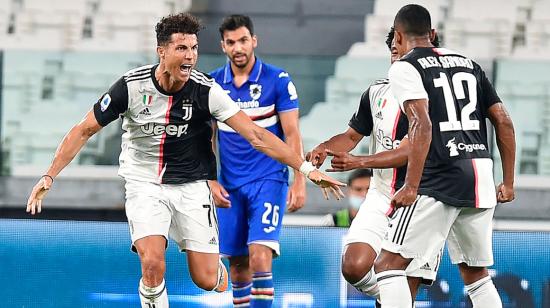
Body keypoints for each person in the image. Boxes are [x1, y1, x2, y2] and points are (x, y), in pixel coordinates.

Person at [25, 13, 345, 308]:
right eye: (182, 48)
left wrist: (306, 170)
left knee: (207, 280)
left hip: (192, 188)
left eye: (193, 48)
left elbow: (257, 136)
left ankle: (214, 269)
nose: (190, 55)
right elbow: (84, 130)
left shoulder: (207, 91)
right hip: (144, 184)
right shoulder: (130, 87)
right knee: (152, 263)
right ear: (161, 51)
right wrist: (50, 176)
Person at [372, 5, 516, 308]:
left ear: (397, 37)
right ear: (432, 35)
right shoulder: (469, 63)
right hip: (480, 175)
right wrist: (509, 181)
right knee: (476, 274)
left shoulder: (403, 67)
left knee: (387, 265)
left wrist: (410, 186)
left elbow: (421, 122)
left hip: (440, 177)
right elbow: (502, 119)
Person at [307, 27, 442, 305]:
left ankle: (399, 298)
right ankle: (397, 298)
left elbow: (409, 151)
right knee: (353, 266)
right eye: (394, 49)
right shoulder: (376, 92)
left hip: (422, 203)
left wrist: (358, 162)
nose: (397, 55)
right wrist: (326, 147)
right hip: (380, 196)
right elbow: (352, 135)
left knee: (404, 286)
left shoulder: (436, 99)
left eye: (403, 49)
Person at [208, 14, 307, 308]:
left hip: (269, 180)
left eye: (243, 40)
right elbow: (205, 138)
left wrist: (300, 180)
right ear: (223, 46)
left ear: (254, 41)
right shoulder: (212, 83)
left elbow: (292, 134)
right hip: (229, 186)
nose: (238, 47)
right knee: (237, 264)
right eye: (231, 42)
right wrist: (210, 179)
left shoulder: (277, 79)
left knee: (259, 255)